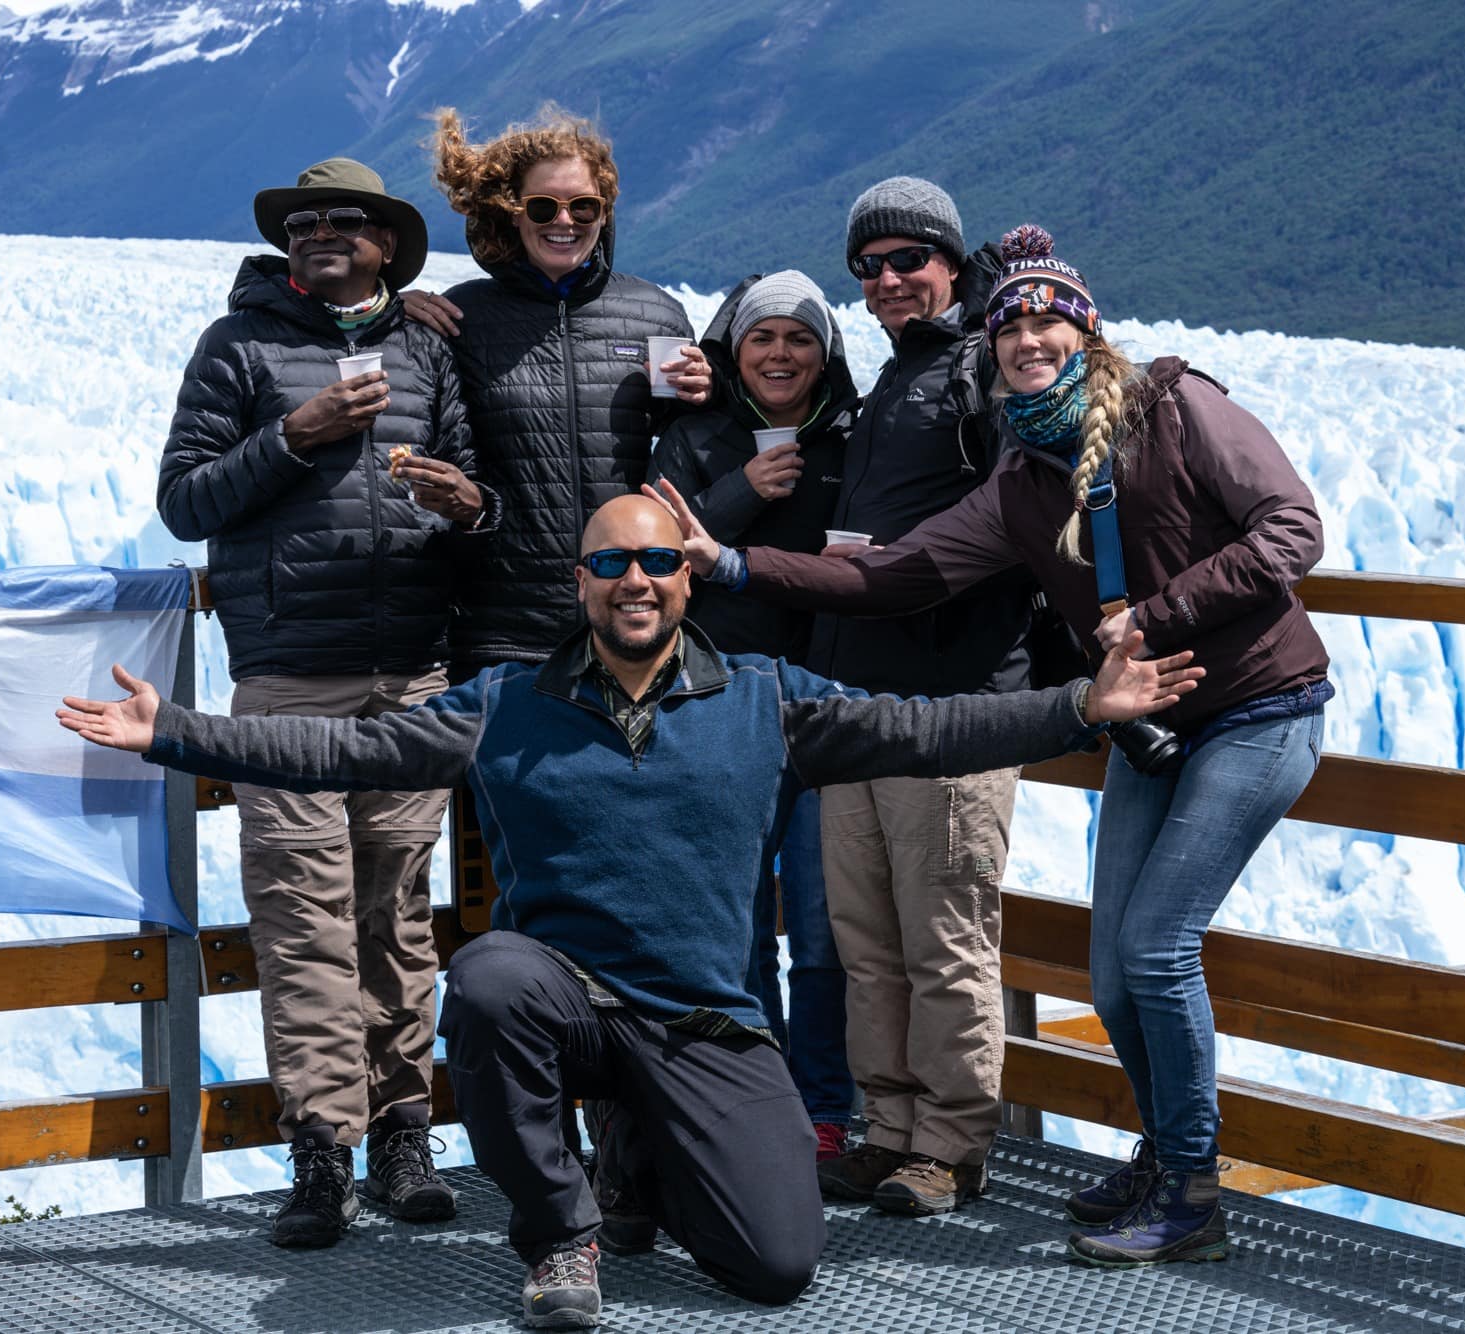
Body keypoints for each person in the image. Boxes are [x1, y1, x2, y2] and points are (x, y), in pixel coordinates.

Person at [59, 495, 1203, 1327]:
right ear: (581, 583)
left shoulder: (768, 700)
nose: (636, 579)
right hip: (564, 1008)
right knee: (491, 977)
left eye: (658, 558)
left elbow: (925, 728)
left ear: (686, 578)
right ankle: (561, 1231)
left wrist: (1078, 705)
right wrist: (173, 732)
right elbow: (348, 745)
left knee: (774, 1264)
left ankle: (640, 1164)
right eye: (612, 563)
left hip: (702, 1019)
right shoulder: (503, 701)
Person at [654, 222, 1333, 1267]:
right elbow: (895, 573)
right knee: (1114, 974)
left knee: (1154, 948)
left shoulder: (1172, 406)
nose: (1026, 333)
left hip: (1256, 705)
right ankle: (1162, 1159)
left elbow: (1291, 529)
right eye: (1009, 319)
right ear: (992, 340)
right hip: (1155, 723)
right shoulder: (1022, 481)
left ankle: (1192, 1191)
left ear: (1084, 327)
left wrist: (1156, 613)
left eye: (1046, 314)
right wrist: (732, 565)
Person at [155, 157, 495, 1249]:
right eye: (301, 223)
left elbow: (477, 492)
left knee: (394, 915)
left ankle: (403, 1132)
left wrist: (464, 500)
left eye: (343, 222)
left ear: (386, 241)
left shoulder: (426, 348)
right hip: (288, 675)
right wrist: (289, 437)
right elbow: (182, 499)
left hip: (409, 673)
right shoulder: (237, 347)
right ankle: (321, 1150)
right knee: (303, 917)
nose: (318, 234)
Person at [759, 176, 1036, 1218]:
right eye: (867, 266)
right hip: (860, 697)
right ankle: (887, 1129)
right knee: (869, 941)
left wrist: (907, 563)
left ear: (952, 264)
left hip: (950, 699)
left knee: (943, 936)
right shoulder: (900, 375)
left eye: (906, 260)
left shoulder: (985, 366)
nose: (884, 280)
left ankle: (952, 1143)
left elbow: (1024, 511)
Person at [647, 271, 857, 1161]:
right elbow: (654, 551)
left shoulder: (855, 438)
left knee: (820, 925)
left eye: (800, 338)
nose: (780, 354)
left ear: (826, 353)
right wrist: (742, 489)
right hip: (719, 703)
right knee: (734, 924)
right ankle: (758, 1091)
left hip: (824, 709)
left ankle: (826, 1107)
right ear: (734, 350)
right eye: (763, 338)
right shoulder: (692, 437)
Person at [399, 104, 712, 673]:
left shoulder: (654, 314)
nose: (563, 220)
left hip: (630, 617)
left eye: (583, 206)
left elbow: (682, 454)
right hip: (503, 625)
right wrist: (389, 313)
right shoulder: (462, 319)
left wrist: (703, 395)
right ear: (512, 214)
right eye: (543, 206)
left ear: (604, 211)